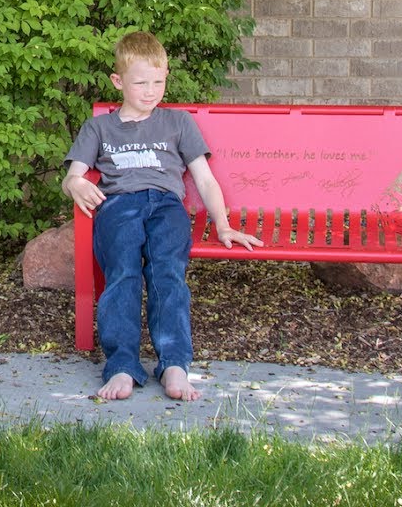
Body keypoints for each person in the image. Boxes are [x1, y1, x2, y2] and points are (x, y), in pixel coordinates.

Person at [62, 31, 263, 401]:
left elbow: (204, 178)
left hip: (166, 206)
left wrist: (223, 225)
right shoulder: (99, 128)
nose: (151, 90)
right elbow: (73, 176)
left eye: (159, 81)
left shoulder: (178, 123)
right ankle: (122, 366)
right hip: (119, 206)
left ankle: (174, 363)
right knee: (122, 273)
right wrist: (74, 185)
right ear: (118, 81)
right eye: (140, 82)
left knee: (167, 273)